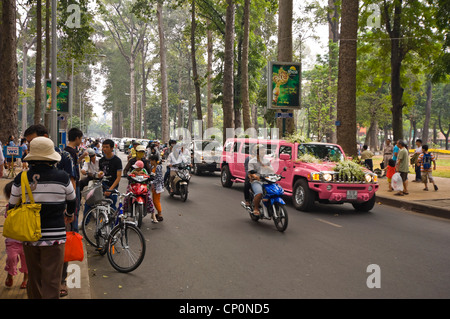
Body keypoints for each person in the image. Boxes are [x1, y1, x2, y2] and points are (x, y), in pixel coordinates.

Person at [8, 136, 76, 299]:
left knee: (35, 278)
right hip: (55, 237)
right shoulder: (63, 177)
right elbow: (72, 200)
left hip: (30, 236)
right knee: (52, 280)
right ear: (51, 158)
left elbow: (11, 205)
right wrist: (68, 214)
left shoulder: (21, 178)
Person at [3, 180, 28, 289]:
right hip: (12, 240)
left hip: (26, 240)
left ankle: (26, 279)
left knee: (26, 261)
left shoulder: (27, 207)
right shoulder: (9, 207)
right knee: (11, 258)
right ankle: (10, 274)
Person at [65, 127, 88, 232]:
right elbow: (72, 175)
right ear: (77, 138)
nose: (81, 141)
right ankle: (74, 232)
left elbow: (74, 165)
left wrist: (81, 157)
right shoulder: (71, 152)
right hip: (73, 186)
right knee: (75, 209)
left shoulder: (68, 151)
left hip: (71, 185)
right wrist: (73, 193)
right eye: (81, 138)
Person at [248, 144, 274, 216]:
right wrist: (256, 176)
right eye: (261, 150)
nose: (263, 151)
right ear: (257, 152)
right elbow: (251, 172)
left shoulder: (267, 161)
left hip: (266, 180)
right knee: (259, 193)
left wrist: (267, 168)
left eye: (263, 150)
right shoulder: (252, 161)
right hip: (257, 181)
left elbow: (272, 171)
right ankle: (256, 208)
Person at [98, 139, 123, 210]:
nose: (104, 149)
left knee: (112, 207)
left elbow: (118, 178)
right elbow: (100, 172)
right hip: (103, 186)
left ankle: (114, 220)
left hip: (113, 187)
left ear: (112, 148)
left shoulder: (117, 161)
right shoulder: (101, 160)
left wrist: (110, 190)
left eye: (106, 147)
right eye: (103, 147)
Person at [149, 154, 164, 222]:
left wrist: (153, 182)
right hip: (154, 187)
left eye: (151, 160)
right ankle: (158, 214)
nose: (150, 162)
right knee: (155, 200)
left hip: (157, 187)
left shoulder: (158, 167)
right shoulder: (153, 167)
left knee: (156, 201)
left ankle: (160, 214)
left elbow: (159, 178)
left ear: (154, 160)